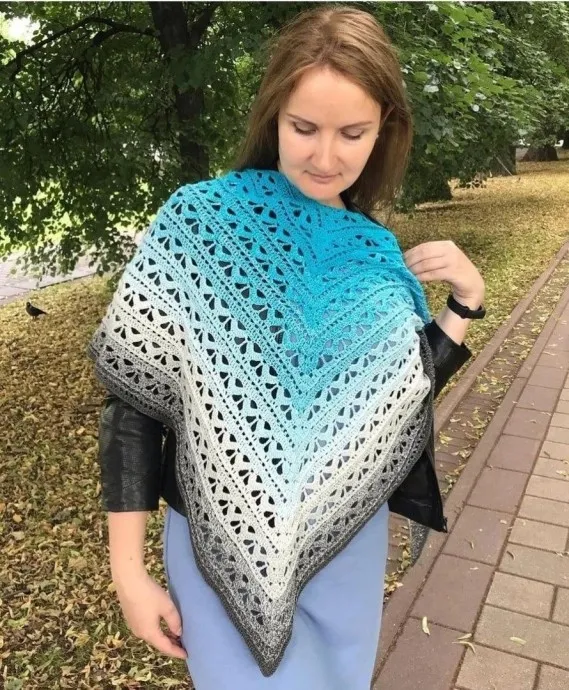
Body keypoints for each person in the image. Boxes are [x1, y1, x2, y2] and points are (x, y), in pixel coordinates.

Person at [87, 6, 485, 689]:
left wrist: (465, 303)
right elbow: (133, 401)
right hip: (217, 535)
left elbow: (394, 403)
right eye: (304, 128)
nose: (326, 157)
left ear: (384, 128)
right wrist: (128, 572)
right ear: (273, 115)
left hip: (346, 543)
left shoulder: (373, 252)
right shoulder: (199, 225)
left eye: (352, 133)